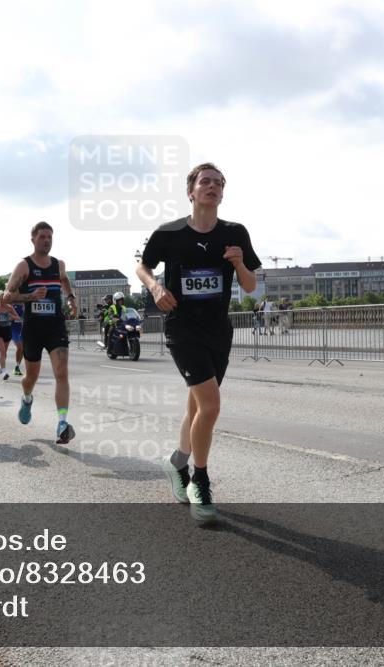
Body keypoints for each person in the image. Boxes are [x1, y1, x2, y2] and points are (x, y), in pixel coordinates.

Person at [136, 162, 261, 523]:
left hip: (218, 331)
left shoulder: (235, 233)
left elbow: (250, 286)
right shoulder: (169, 233)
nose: (212, 186)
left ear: (223, 193)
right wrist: (156, 286)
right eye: (205, 181)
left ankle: (176, 463)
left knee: (196, 408)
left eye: (218, 183)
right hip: (182, 330)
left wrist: (238, 264)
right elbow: (141, 266)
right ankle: (200, 481)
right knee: (210, 405)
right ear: (190, 191)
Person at [0, 221, 78, 444]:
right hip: (33, 329)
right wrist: (30, 296)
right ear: (33, 239)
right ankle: (26, 398)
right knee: (30, 377)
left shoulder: (58, 265)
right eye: (42, 236)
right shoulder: (24, 266)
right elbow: (6, 297)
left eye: (50, 237)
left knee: (61, 372)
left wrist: (71, 299)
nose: (47, 240)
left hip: (56, 327)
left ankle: (62, 423)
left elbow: (64, 281)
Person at [0, 300, 21, 380]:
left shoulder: (9, 308)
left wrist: (11, 317)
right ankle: (4, 372)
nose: (2, 302)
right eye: (1, 300)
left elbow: (17, 317)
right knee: (2, 351)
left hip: (7, 330)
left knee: (4, 352)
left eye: (4, 300)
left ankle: (1, 367)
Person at [10, 302, 25, 376]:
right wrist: (16, 318)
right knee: (20, 347)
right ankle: (15, 366)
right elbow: (8, 316)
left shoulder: (26, 303)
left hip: (24, 329)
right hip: (15, 329)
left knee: (23, 349)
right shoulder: (12, 304)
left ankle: (17, 366)